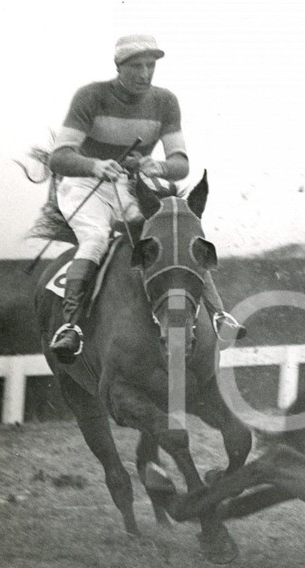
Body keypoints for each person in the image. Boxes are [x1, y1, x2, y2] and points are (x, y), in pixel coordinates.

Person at [46, 34, 245, 363]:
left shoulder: (165, 101)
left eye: (150, 65)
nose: (145, 73)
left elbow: (181, 165)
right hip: (83, 186)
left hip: (129, 186)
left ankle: (220, 316)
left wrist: (158, 166)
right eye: (136, 66)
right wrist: (94, 165)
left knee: (176, 239)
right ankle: (71, 327)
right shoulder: (90, 97)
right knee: (95, 238)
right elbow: (59, 158)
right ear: (118, 66)